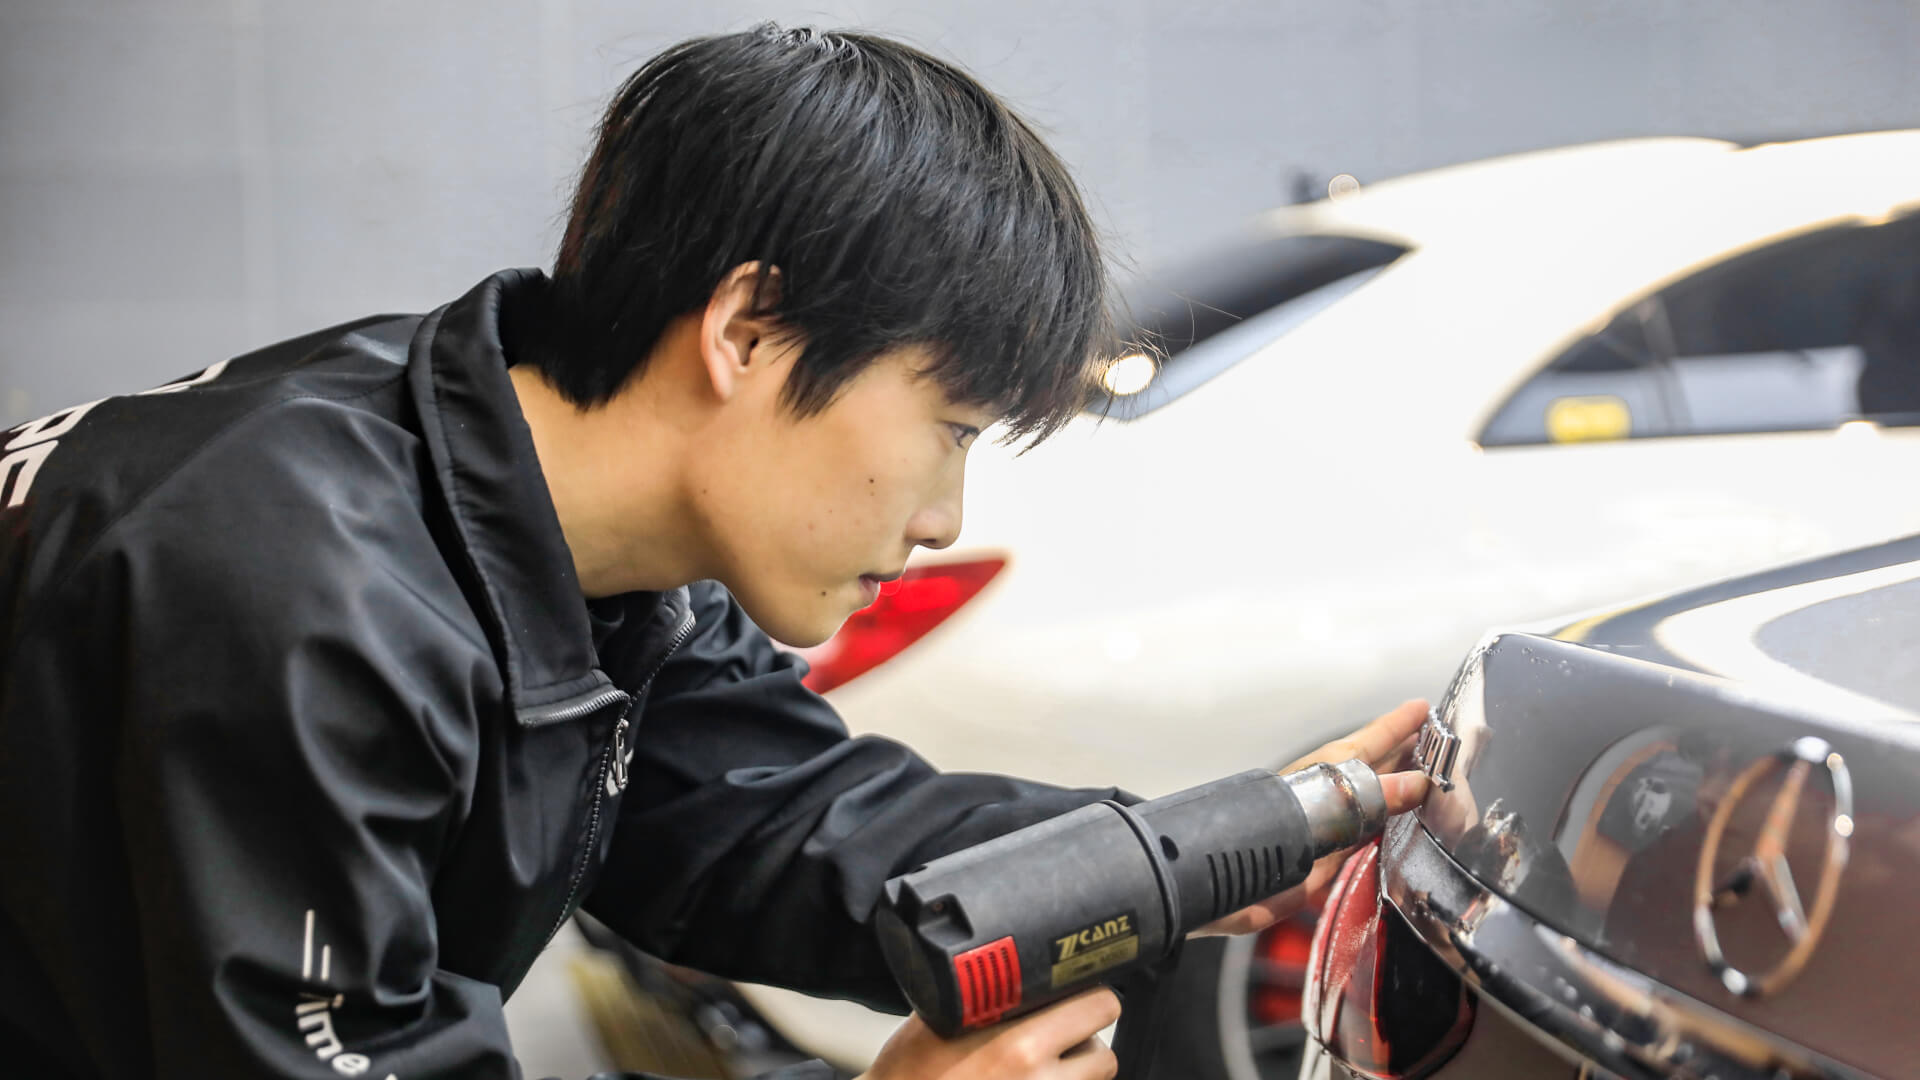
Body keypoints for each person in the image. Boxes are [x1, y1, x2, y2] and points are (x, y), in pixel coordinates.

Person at [0, 24, 1428, 1080]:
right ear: (749, 330)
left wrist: (1226, 845)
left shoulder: (570, 526)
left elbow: (785, 828)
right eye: (948, 429)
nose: (945, 516)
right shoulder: (289, 601)